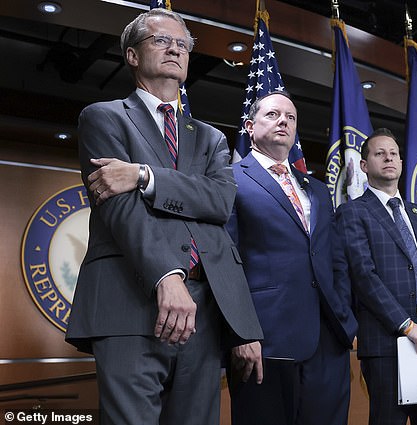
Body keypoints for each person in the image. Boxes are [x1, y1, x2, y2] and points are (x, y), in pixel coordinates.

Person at [65, 8, 262, 425]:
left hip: (205, 314)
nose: (175, 48)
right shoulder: (104, 117)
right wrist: (166, 277)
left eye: (183, 45)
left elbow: (219, 201)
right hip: (128, 305)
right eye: (161, 40)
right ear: (133, 56)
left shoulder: (210, 138)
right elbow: (120, 210)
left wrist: (142, 174)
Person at [226, 91, 357, 425]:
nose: (283, 120)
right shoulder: (229, 179)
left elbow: (336, 259)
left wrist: (344, 318)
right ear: (249, 126)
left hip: (328, 339)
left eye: (290, 117)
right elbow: (225, 262)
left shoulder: (317, 189)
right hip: (265, 340)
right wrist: (241, 333)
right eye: (272, 115)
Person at [334, 128, 417, 425]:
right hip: (387, 342)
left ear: (401, 162)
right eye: (379, 153)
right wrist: (407, 326)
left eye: (394, 153)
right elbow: (363, 276)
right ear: (364, 165)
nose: (388, 158)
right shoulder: (352, 212)